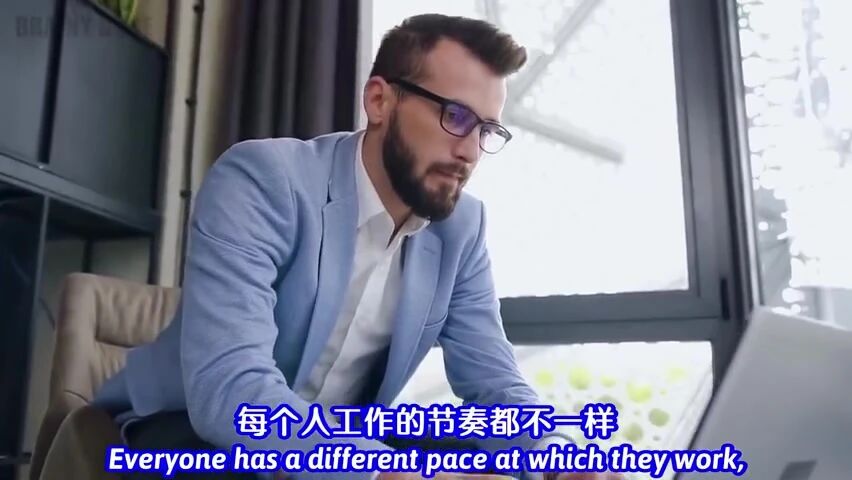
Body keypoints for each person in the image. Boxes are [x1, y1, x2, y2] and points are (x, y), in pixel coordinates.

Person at [94, 13, 623, 480]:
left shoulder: (461, 228)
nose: (469, 152)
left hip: (344, 437)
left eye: (485, 130)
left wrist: (561, 458)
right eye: (455, 117)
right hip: (192, 427)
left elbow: (494, 384)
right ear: (379, 101)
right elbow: (230, 391)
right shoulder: (264, 180)